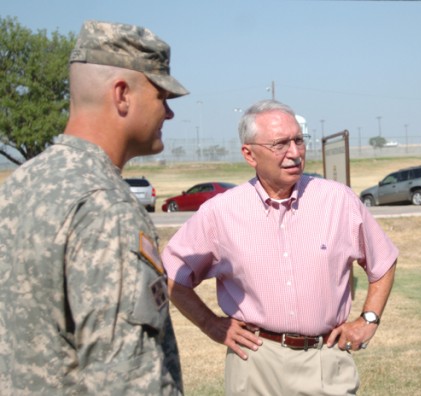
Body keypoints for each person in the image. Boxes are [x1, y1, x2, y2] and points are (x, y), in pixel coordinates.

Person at [0, 20, 188, 394]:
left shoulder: (19, 186)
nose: (169, 114)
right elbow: (128, 380)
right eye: (161, 97)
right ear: (122, 94)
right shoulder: (107, 206)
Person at [162, 99, 398, 395]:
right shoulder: (220, 213)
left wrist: (369, 319)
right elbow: (172, 275)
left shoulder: (339, 201)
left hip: (326, 360)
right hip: (256, 363)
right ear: (249, 154)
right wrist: (210, 324)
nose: (295, 153)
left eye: (299, 140)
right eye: (280, 144)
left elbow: (383, 262)